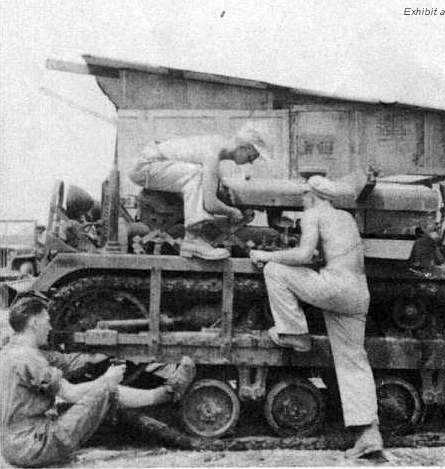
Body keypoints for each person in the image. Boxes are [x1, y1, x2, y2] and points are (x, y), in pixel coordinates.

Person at [249, 175, 382, 459]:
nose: (301, 200)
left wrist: (264, 254)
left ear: (313, 195)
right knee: (353, 362)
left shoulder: (313, 213)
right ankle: (369, 434)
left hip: (334, 286)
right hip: (358, 292)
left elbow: (304, 254)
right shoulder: (345, 216)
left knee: (273, 270)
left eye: (304, 195)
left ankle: (294, 332)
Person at [0, 294, 195, 468]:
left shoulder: (12, 350)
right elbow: (71, 393)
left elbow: (68, 362)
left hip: (14, 445)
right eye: (47, 321)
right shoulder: (30, 359)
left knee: (86, 411)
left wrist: (106, 349)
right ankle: (166, 394)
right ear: (34, 323)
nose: (50, 327)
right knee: (107, 393)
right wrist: (106, 380)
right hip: (35, 445)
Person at [129, 123, 271, 260]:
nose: (251, 162)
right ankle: (193, 239)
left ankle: (194, 239)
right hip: (146, 166)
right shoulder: (213, 152)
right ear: (245, 147)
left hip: (153, 164)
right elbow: (210, 204)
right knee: (196, 173)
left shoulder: (217, 145)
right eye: (251, 157)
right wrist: (232, 212)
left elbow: (212, 191)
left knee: (198, 174)